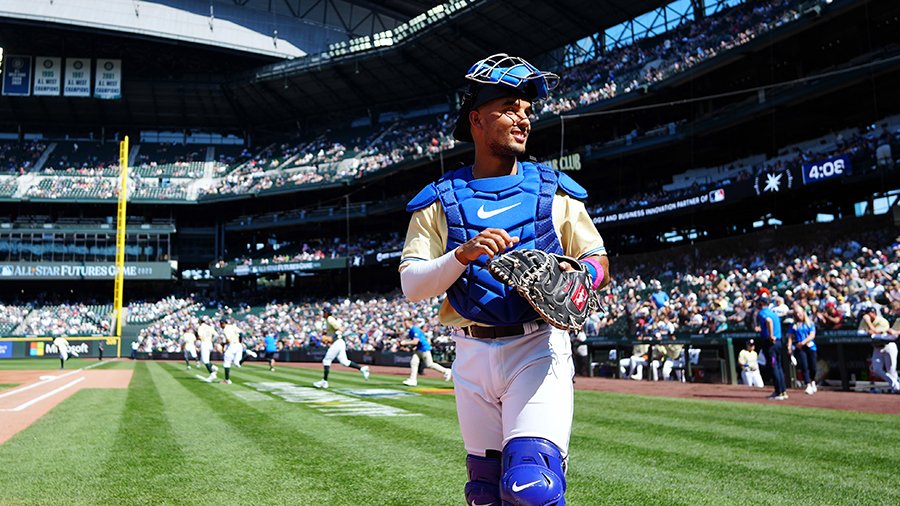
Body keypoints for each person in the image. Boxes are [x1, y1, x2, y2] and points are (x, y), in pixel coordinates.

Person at [399, 53, 609, 506]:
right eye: (510, 108)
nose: (523, 118)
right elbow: (413, 285)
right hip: (471, 355)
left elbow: (598, 260)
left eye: (527, 111)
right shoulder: (439, 200)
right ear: (476, 119)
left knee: (530, 486)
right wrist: (462, 254)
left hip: (537, 349)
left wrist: (577, 275)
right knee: (484, 494)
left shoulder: (553, 190)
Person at [313, 303, 369, 388]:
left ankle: (324, 381)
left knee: (326, 360)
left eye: (324, 312)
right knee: (344, 362)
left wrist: (332, 338)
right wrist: (327, 335)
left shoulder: (330, 319)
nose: (323, 314)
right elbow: (333, 333)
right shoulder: (328, 320)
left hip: (338, 342)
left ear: (326, 313)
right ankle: (362, 369)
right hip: (339, 342)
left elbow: (341, 329)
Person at [399, 317, 451, 386]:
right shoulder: (411, 330)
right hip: (419, 348)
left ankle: (446, 371)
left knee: (430, 364)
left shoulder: (415, 329)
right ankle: (413, 380)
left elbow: (415, 341)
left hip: (424, 348)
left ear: (410, 323)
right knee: (414, 363)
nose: (404, 325)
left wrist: (405, 343)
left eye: (406, 323)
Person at [859, 306, 899, 393]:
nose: (867, 315)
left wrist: (868, 322)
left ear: (874, 313)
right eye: (866, 313)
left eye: (869, 313)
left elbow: (876, 332)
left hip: (888, 346)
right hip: (877, 348)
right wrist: (867, 331)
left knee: (891, 370)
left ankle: (895, 389)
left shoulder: (882, 321)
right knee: (876, 369)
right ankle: (896, 384)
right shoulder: (864, 320)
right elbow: (859, 332)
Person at [756, 295, 787, 399]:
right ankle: (782, 391)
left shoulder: (763, 312)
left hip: (771, 342)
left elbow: (768, 321)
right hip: (778, 342)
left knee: (773, 366)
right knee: (778, 366)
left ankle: (778, 392)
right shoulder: (773, 313)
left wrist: (770, 335)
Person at [787, 306, 818, 394]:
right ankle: (807, 384)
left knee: (813, 367)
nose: (798, 315)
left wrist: (803, 342)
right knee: (804, 366)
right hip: (800, 348)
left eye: (799, 313)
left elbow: (812, 335)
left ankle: (812, 381)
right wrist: (789, 347)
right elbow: (790, 337)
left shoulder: (810, 323)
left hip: (810, 346)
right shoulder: (794, 325)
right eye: (796, 314)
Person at [219, 320, 242, 385]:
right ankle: (247, 354)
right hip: (238, 345)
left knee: (226, 362)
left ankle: (227, 379)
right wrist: (241, 341)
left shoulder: (226, 329)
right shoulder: (233, 326)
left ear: (223, 323)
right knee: (236, 363)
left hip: (232, 345)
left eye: (221, 324)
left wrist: (224, 344)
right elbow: (241, 333)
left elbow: (229, 340)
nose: (220, 325)